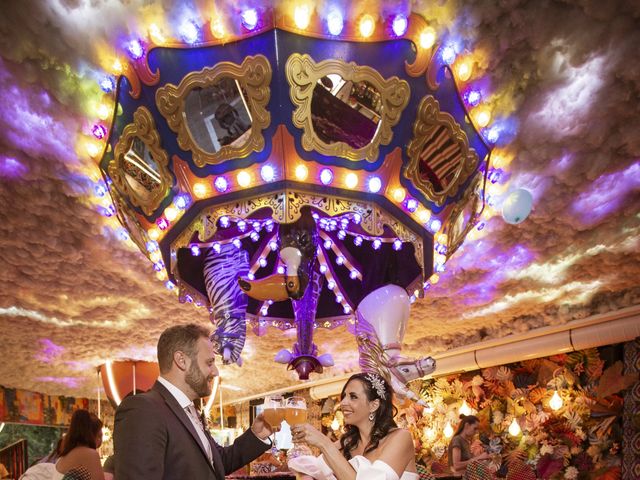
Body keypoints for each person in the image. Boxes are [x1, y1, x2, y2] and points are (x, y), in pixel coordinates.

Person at [113, 323, 273, 480]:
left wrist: (256, 434)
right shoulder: (143, 410)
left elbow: (217, 463)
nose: (215, 372)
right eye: (209, 363)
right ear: (181, 360)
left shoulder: (189, 411)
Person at [289, 372, 418, 480]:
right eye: (344, 396)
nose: (343, 403)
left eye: (353, 397)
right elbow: (311, 470)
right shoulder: (347, 442)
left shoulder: (400, 438)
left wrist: (324, 443)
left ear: (374, 405)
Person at [20, 409, 104, 480]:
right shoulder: (90, 454)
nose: (100, 441)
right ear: (91, 434)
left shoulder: (64, 455)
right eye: (99, 436)